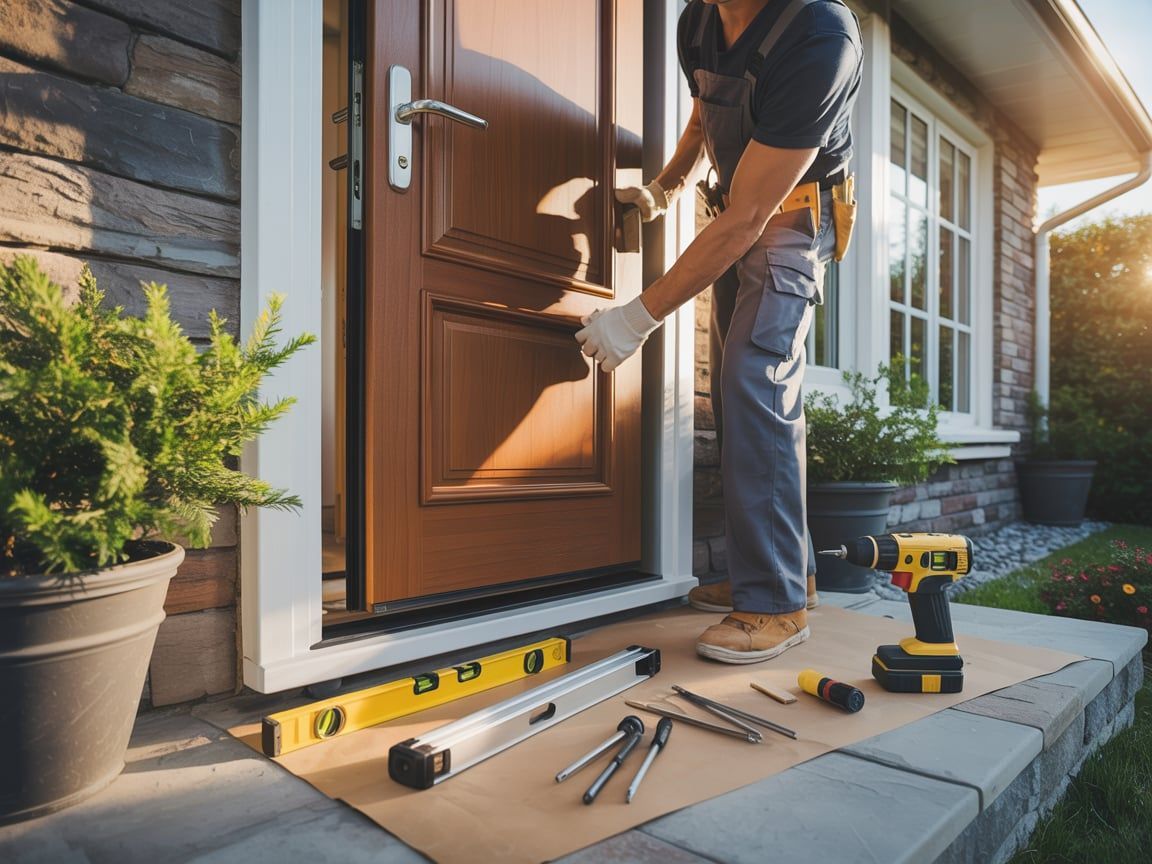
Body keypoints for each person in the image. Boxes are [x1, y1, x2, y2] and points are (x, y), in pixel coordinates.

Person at [576, 0, 862, 664]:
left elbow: (752, 213)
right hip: (738, 206)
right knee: (742, 399)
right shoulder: (697, 21)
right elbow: (706, 112)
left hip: (794, 217)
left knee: (752, 376)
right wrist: (668, 188)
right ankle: (788, 573)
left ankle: (774, 605)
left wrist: (637, 317)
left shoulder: (821, 33)